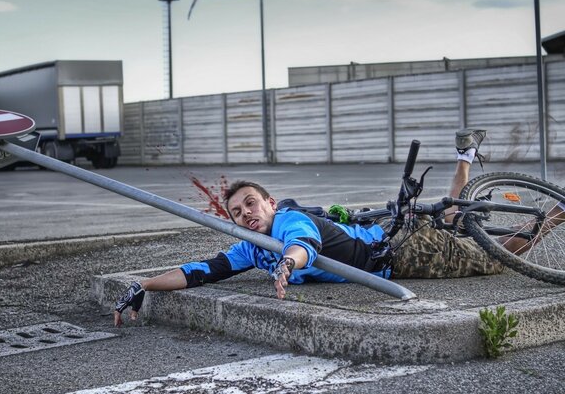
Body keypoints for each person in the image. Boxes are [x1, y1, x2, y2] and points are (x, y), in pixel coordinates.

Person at [114, 130, 565, 327]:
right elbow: (200, 271)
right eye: (236, 213)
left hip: (401, 252)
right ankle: (465, 157)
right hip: (388, 231)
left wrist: (288, 265)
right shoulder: (251, 248)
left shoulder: (290, 221)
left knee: (494, 256)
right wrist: (144, 284)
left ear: (269, 203)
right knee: (452, 217)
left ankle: (557, 215)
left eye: (251, 204)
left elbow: (303, 245)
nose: (246, 215)